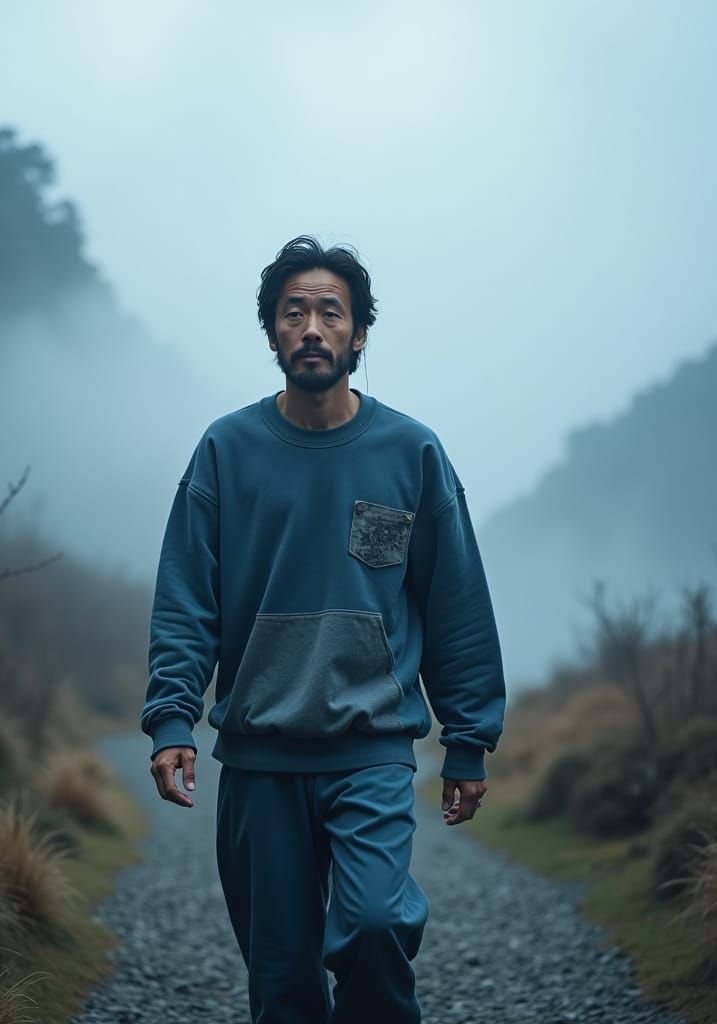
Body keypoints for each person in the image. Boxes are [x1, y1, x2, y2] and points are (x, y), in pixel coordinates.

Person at [141, 235, 505, 1024]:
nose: (311, 327)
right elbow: (186, 599)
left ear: (359, 333)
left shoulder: (411, 451)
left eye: (330, 313)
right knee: (284, 986)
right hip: (259, 758)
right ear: (272, 333)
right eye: (293, 312)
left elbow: (457, 606)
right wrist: (172, 717)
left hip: (371, 748)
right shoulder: (226, 450)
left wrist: (467, 738)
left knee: (374, 926)